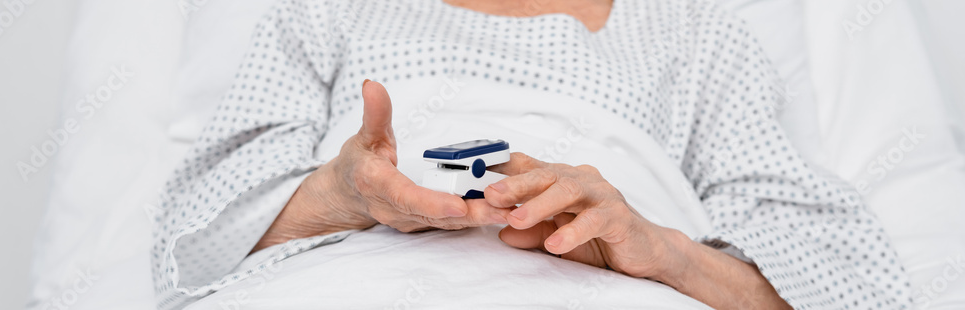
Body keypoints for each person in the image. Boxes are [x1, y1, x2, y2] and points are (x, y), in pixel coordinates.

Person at [151, 0, 912, 309]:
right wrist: (341, 194)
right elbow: (193, 240)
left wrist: (659, 252)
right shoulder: (333, 7)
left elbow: (848, 285)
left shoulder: (693, 30)